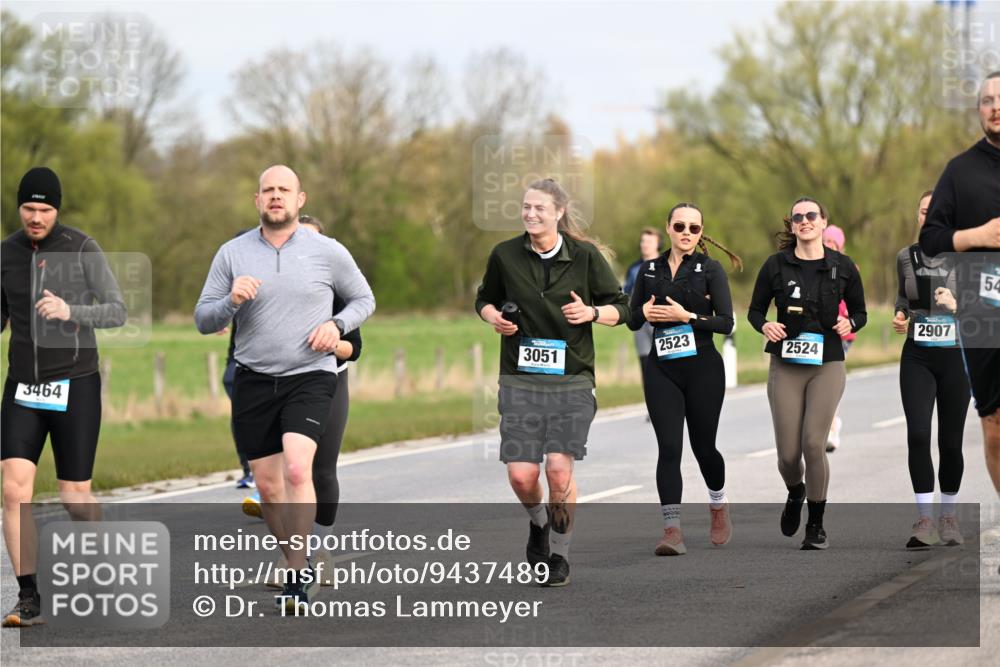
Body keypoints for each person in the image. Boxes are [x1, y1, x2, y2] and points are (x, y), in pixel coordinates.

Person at [194, 165, 375, 612]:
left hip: (310, 376)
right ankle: (302, 560)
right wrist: (230, 301)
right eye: (268, 190)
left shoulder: (327, 251)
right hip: (254, 378)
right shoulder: (231, 254)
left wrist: (337, 326)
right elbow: (203, 320)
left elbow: (364, 300)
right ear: (257, 200)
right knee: (270, 489)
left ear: (300, 200)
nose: (276, 196)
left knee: (298, 471)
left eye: (284, 190)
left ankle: (296, 578)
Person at [475, 178, 630, 586]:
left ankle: (559, 554)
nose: (530, 214)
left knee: (559, 470)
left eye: (539, 208)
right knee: (522, 476)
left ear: (559, 212)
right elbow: (483, 298)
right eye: (526, 207)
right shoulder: (505, 255)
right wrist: (494, 318)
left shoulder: (585, 256)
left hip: (572, 380)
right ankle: (539, 523)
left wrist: (593, 314)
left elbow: (623, 308)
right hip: (520, 379)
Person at [1, 167, 127, 627]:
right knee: (14, 491)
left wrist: (70, 309)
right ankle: (29, 596)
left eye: (45, 209)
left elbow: (117, 311)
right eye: (29, 208)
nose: (36, 217)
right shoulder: (6, 254)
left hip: (75, 383)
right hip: (22, 388)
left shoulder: (82, 248)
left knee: (76, 498)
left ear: (58, 209)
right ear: (19, 207)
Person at [241, 215, 362, 587]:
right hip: (273, 384)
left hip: (326, 382)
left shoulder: (336, 285)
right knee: (279, 474)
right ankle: (294, 558)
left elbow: (354, 349)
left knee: (319, 470)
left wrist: (331, 341)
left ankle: (319, 551)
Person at [748, 197, 867, 550]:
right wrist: (765, 326)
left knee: (813, 443)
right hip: (786, 364)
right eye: (798, 217)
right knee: (788, 455)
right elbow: (755, 311)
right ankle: (795, 490)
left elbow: (861, 313)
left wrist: (851, 322)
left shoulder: (843, 266)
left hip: (828, 363)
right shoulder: (776, 266)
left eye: (811, 215)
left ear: (822, 221)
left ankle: (816, 524)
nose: (804, 220)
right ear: (793, 225)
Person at [627, 203, 742, 556]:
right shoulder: (649, 270)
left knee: (704, 447)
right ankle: (672, 530)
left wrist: (687, 315)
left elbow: (726, 322)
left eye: (694, 228)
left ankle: (718, 504)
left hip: (703, 367)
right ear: (669, 228)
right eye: (680, 226)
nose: (687, 233)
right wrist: (642, 312)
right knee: (669, 448)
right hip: (662, 368)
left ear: (700, 232)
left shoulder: (710, 270)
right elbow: (632, 320)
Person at [919, 71, 1000, 502]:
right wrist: (978, 236)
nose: (995, 106)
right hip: (984, 315)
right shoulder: (960, 171)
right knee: (994, 426)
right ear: (979, 111)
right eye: (987, 100)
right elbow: (930, 241)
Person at [893, 190, 971, 549]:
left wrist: (958, 305)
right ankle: (925, 519)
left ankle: (949, 517)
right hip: (918, 357)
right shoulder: (905, 257)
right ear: (919, 216)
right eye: (926, 211)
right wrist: (900, 314)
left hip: (957, 357)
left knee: (950, 440)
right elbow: (902, 297)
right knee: (918, 435)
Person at [820, 225, 855, 452]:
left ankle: (832, 427)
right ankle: (824, 427)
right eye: (826, 242)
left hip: (841, 334)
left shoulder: (848, 269)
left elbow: (856, 307)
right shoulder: (814, 266)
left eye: (832, 243)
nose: (828, 246)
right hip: (819, 333)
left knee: (829, 383)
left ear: (839, 246)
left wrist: (844, 318)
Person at [623, 228, 663, 411]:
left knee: (665, 362)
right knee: (646, 364)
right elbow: (626, 294)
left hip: (663, 321)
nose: (645, 245)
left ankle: (671, 402)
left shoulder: (667, 264)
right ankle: (652, 406)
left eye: (649, 241)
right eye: (643, 241)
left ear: (658, 244)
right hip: (640, 322)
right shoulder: (633, 269)